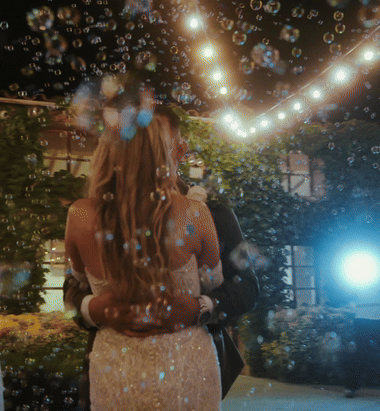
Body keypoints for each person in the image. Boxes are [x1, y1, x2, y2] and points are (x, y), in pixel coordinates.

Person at [63, 104, 259, 410]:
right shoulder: (89, 213)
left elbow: (247, 288)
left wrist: (199, 307)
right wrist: (96, 308)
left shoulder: (215, 212)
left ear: (180, 149)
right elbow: (72, 291)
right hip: (117, 367)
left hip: (185, 367)